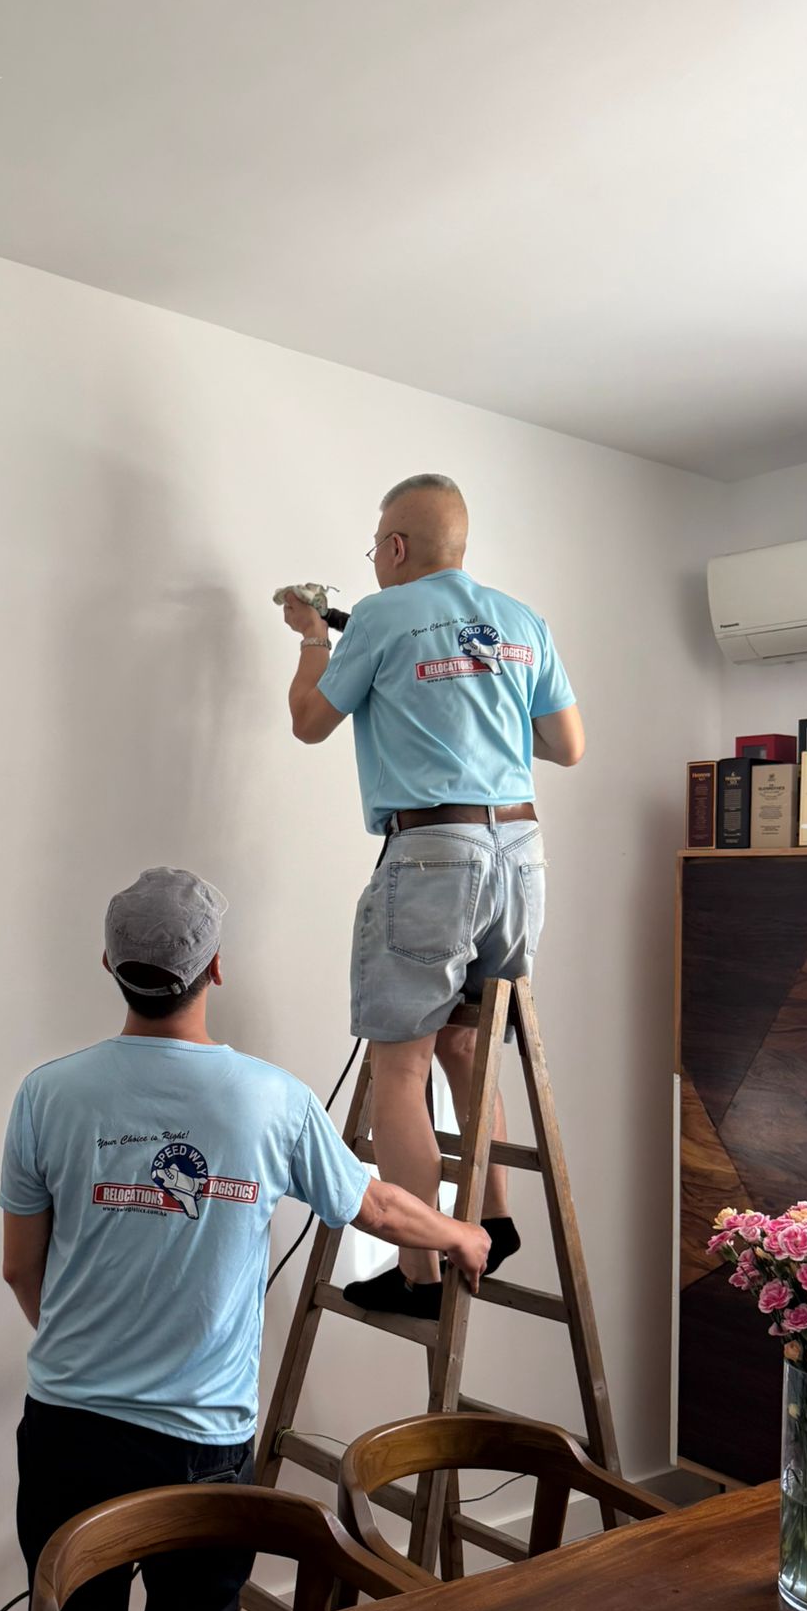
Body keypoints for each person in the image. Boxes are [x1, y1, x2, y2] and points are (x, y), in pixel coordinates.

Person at [0, 865, 490, 1611]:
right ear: (215, 968)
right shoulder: (274, 1099)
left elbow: (21, 1269)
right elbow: (374, 1208)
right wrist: (461, 1235)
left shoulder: (46, 1095)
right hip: (203, 1442)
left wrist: (93, 1356)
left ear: (110, 965)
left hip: (69, 1432)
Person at [281, 473, 583, 1319]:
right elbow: (567, 745)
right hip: (521, 854)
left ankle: (419, 1274)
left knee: (401, 1068)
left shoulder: (382, 615)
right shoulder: (521, 621)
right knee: (467, 1043)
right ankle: (495, 1217)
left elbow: (309, 720)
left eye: (375, 545)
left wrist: (313, 636)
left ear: (396, 546)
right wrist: (479, 702)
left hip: (435, 856)